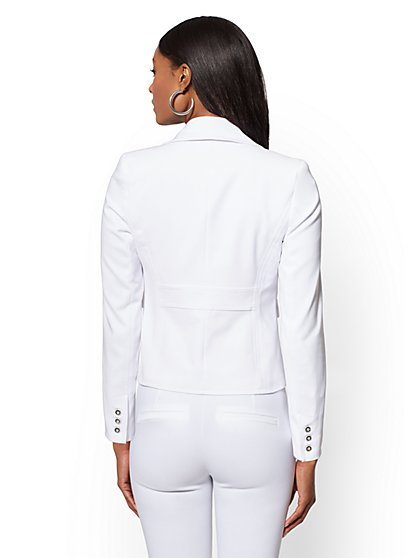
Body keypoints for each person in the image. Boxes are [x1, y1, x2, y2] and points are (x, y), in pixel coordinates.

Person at [100, 15, 327, 558]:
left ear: (184, 78)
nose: (150, 87)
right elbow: (301, 325)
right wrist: (308, 445)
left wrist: (119, 433)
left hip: (162, 422)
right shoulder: (289, 179)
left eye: (155, 72)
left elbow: (121, 316)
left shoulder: (132, 175)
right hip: (257, 425)